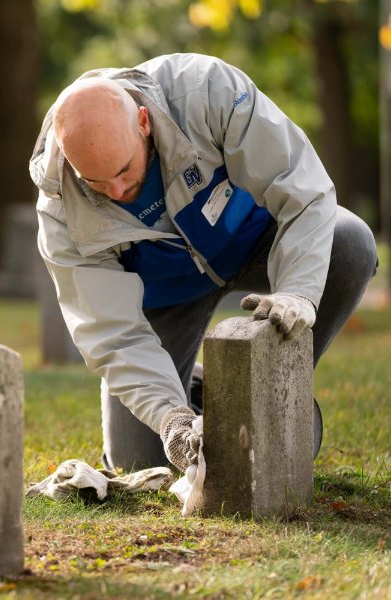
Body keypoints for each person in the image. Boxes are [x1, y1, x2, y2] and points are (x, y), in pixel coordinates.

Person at [29, 53, 377, 473]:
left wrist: (299, 290)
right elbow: (112, 334)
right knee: (138, 456)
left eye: (124, 170)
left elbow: (301, 188)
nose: (118, 191)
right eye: (96, 183)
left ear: (143, 122)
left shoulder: (204, 90)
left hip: (257, 242)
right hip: (166, 291)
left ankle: (278, 391)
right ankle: (199, 389)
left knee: (350, 242)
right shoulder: (59, 206)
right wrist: (171, 418)